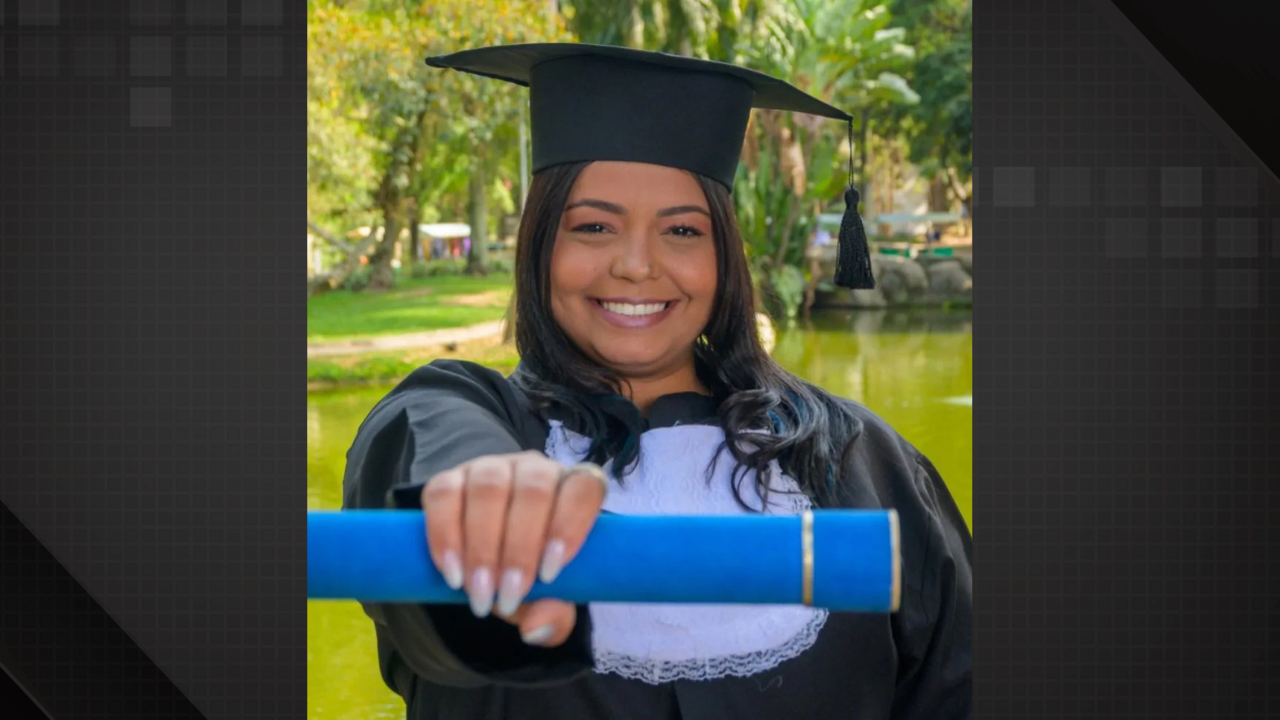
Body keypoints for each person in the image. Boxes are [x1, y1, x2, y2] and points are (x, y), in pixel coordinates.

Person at [342, 43, 972, 719]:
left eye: (681, 229)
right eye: (593, 226)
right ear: (539, 244)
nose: (637, 266)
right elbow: (424, 439)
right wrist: (485, 493)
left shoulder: (857, 460)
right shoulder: (466, 418)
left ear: (722, 256)